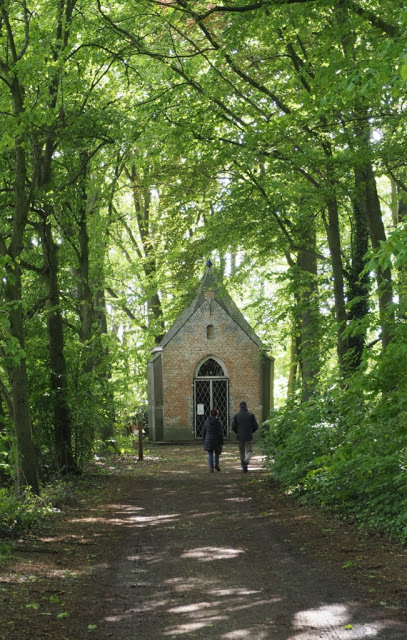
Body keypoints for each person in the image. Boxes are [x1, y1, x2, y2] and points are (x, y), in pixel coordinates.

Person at [231, 401, 258, 472]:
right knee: (249, 451)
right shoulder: (251, 415)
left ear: (240, 407)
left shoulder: (236, 415)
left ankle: (243, 465)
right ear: (246, 406)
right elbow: (256, 426)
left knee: (241, 451)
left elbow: (233, 426)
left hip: (240, 436)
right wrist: (251, 431)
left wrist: (237, 432)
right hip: (248, 435)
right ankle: (246, 460)